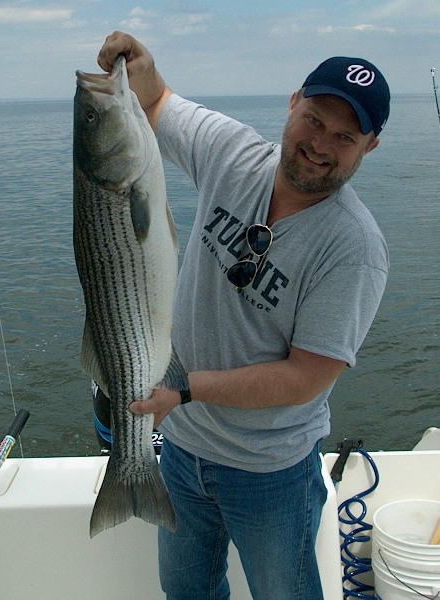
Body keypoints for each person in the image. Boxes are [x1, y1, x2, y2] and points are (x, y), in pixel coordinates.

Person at [97, 31, 390, 600]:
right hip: (181, 452)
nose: (321, 144)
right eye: (314, 119)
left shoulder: (354, 247)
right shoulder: (232, 153)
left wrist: (181, 391)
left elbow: (305, 379)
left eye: (345, 136)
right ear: (292, 102)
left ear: (368, 147)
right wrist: (138, 67)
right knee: (187, 594)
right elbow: (157, 103)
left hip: (271, 472)